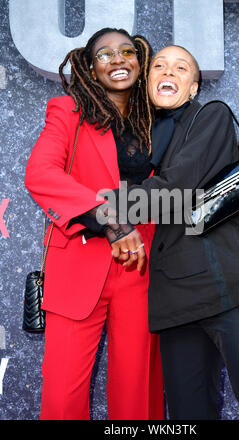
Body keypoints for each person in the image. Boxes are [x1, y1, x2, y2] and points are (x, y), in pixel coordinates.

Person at [108, 45, 239, 420]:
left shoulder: (212, 115)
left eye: (181, 68)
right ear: (147, 83)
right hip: (175, 302)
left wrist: (105, 208)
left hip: (230, 288)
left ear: (194, 87)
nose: (169, 72)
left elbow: (176, 189)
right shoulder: (137, 147)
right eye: (159, 66)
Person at [24, 27, 165, 421]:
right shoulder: (67, 111)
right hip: (79, 263)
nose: (118, 60)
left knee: (138, 395)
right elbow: (41, 174)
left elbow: (186, 173)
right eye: (105, 54)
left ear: (140, 61)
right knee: (62, 398)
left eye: (127, 52)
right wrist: (112, 222)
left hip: (140, 265)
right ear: (89, 66)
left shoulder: (156, 119)